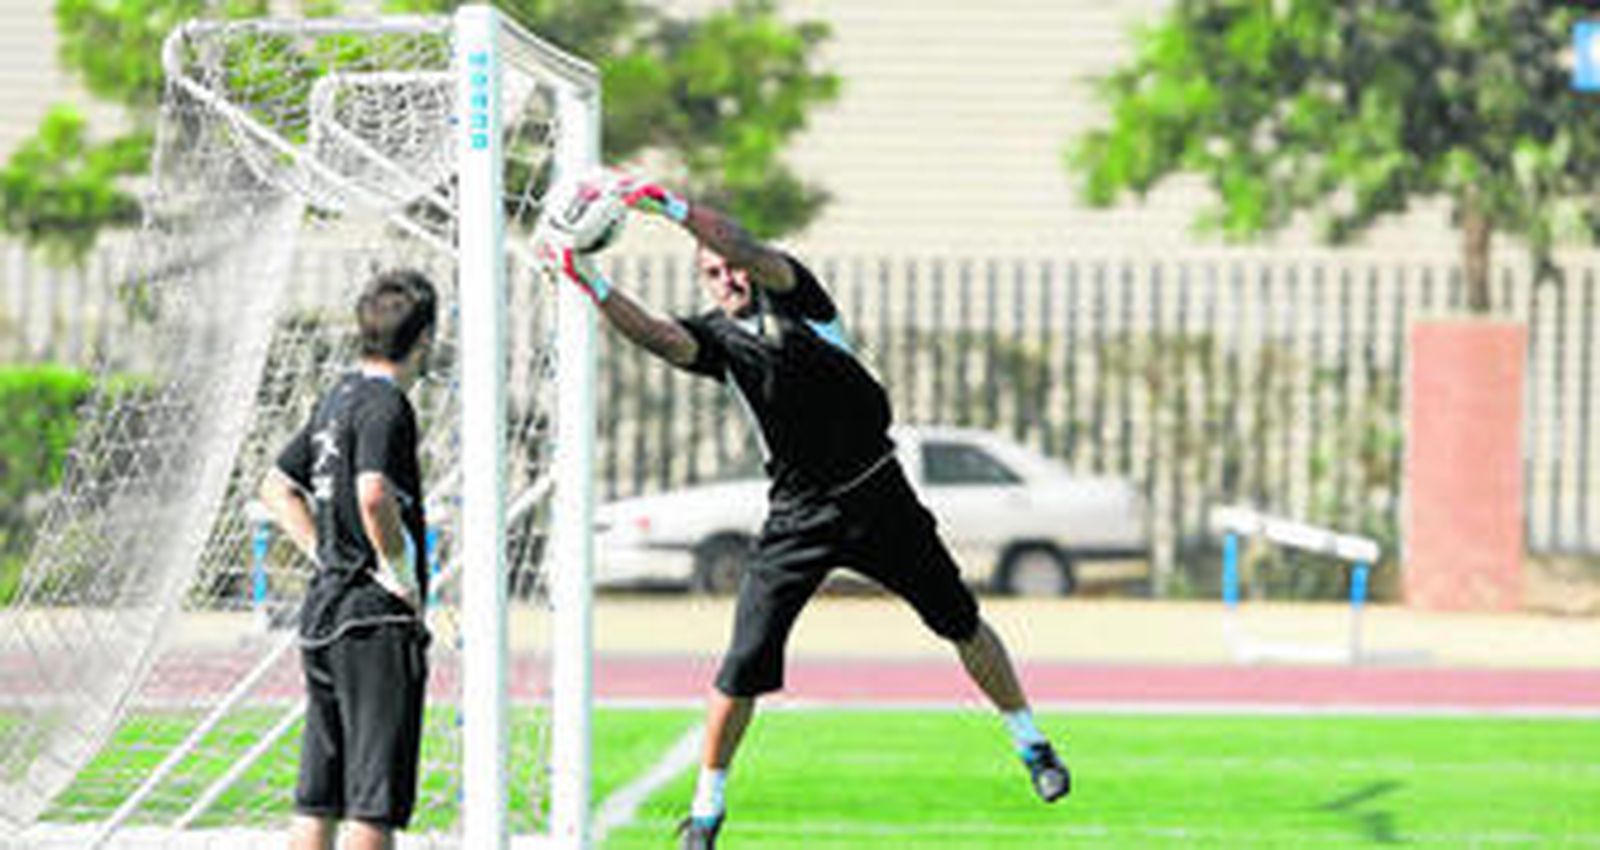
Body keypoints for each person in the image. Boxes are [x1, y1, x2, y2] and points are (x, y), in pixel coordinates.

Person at [540, 175, 1070, 850]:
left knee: (960, 620)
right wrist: (586, 279)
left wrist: (664, 203)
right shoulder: (718, 343)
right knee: (743, 662)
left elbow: (738, 242)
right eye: (711, 273)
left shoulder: (799, 297)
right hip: (798, 516)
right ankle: (706, 811)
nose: (726, 275)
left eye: (728, 265)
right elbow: (655, 335)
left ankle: (1032, 744)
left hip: (880, 496)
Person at [259, 269, 437, 850]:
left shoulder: (337, 397)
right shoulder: (388, 406)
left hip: (325, 613)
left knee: (319, 798)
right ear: (426, 337)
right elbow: (373, 492)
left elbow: (276, 487)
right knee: (371, 802)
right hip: (372, 623)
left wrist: (326, 553)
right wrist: (399, 574)